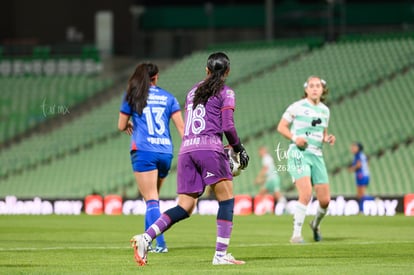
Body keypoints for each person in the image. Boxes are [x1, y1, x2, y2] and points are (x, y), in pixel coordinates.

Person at [130, 52, 249, 266]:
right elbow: (228, 126)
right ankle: (220, 256)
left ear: (207, 70)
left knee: (185, 206)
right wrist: (238, 149)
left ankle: (145, 238)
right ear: (228, 72)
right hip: (209, 148)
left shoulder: (192, 91)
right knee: (227, 200)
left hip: (187, 149)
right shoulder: (226, 92)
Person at [118, 62, 184, 253]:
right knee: (152, 200)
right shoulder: (168, 97)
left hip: (144, 151)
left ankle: (160, 244)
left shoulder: (132, 96)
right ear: (156, 77)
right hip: (165, 151)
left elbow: (121, 125)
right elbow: (181, 127)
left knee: (152, 200)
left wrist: (129, 124)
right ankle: (151, 240)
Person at [277, 76, 336, 243]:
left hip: (317, 155)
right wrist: (295, 138)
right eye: (311, 86)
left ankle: (315, 225)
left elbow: (322, 133)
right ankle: (296, 235)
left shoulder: (325, 110)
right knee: (306, 193)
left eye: (318, 86)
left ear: (323, 89)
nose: (315, 88)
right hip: (298, 152)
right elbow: (281, 127)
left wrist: (327, 138)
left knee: (325, 200)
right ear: (306, 89)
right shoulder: (297, 106)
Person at [348, 142, 371, 212]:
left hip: (361, 175)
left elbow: (359, 165)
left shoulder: (357, 155)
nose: (352, 148)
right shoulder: (363, 155)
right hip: (366, 175)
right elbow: (367, 163)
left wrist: (352, 169)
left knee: (360, 194)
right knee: (361, 194)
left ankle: (372, 200)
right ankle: (361, 209)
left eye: (354, 147)